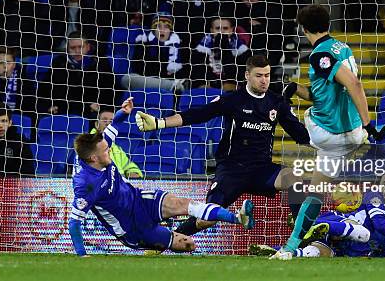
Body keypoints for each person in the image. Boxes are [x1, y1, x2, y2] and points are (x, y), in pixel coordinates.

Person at [135, 55, 310, 236]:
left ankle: (300, 234)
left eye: (267, 75)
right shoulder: (233, 100)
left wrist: (329, 142)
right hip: (231, 170)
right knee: (206, 219)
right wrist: (159, 123)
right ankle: (167, 239)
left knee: (293, 177)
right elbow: (198, 114)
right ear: (247, 75)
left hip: (261, 170)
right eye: (259, 76)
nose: (264, 80)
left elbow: (298, 132)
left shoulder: (276, 102)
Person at [68, 98, 255, 256]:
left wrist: (124, 113)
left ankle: (238, 218)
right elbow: (74, 222)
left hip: (138, 199)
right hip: (132, 227)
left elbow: (113, 126)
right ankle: (157, 242)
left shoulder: (97, 147)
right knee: (188, 244)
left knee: (182, 203)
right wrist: (82, 255)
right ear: (93, 158)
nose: (110, 150)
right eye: (106, 151)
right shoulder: (86, 184)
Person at [275, 4, 385, 260]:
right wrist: (296, 89)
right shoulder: (341, 47)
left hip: (331, 132)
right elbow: (324, 94)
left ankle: (279, 112)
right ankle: (290, 249)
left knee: (291, 116)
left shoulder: (319, 55)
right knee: (315, 191)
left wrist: (369, 123)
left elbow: (354, 84)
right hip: (349, 134)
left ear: (303, 29)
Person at [250, 172, 385, 258]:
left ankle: (278, 251)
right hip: (337, 221)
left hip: (340, 246)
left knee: (317, 253)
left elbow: (376, 252)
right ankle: (318, 225)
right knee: (365, 233)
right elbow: (379, 224)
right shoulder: (373, 197)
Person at [37, 31, 116, 119]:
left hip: (92, 112)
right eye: (73, 48)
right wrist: (49, 106)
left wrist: (100, 105)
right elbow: (45, 88)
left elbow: (110, 89)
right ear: (67, 49)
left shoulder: (100, 63)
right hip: (62, 110)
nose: (77, 51)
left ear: (88, 47)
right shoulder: (59, 63)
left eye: (80, 47)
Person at [121, 13, 188, 92]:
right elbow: (140, 70)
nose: (162, 30)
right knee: (126, 79)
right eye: (158, 26)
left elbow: (182, 73)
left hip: (171, 85)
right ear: (154, 29)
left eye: (166, 27)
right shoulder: (143, 45)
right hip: (147, 83)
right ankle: (172, 86)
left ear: (170, 30)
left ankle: (173, 86)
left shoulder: (179, 47)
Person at [0, 47, 37, 122]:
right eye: (1, 63)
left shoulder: (25, 81)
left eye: (8, 62)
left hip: (18, 121)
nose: (5, 66)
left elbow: (30, 109)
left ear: (14, 65)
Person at [191, 17, 250, 90]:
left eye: (225, 28)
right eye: (217, 28)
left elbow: (238, 76)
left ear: (231, 30)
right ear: (211, 30)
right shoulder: (201, 49)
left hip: (231, 87)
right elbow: (198, 75)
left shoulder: (241, 49)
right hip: (208, 88)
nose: (221, 32)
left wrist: (226, 49)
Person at [90, 107, 143, 179]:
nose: (108, 123)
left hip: (117, 185)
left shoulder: (117, 149)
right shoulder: (87, 144)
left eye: (111, 121)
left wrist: (132, 172)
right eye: (104, 120)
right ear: (96, 124)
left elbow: (129, 165)